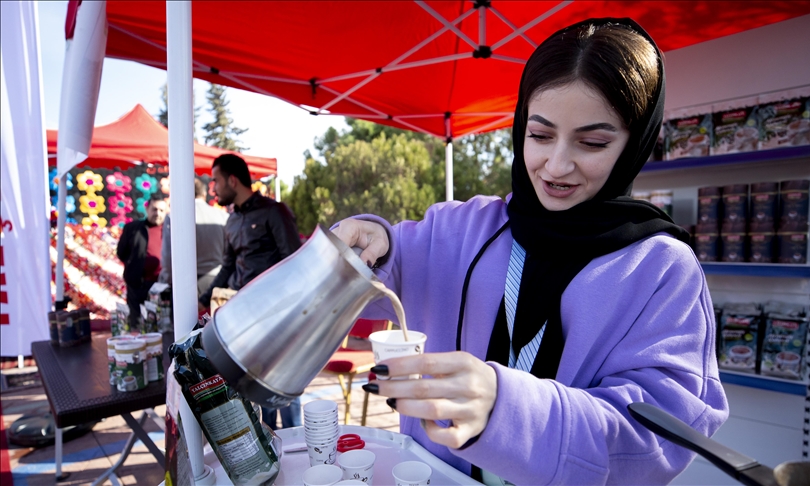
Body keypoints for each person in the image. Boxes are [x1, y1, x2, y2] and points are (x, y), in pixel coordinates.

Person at [334, 18, 728, 485]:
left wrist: (506, 410)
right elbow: (367, 277)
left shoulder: (662, 270)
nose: (556, 165)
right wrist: (361, 240)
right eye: (539, 135)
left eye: (593, 142)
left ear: (636, 142)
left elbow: (662, 437)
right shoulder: (459, 229)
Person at [199, 153, 304, 429]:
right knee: (257, 388)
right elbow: (226, 268)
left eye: (216, 181)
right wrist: (201, 300)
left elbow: (295, 261)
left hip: (280, 315)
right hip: (245, 318)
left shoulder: (274, 211)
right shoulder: (231, 221)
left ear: (233, 180)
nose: (214, 188)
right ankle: (270, 441)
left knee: (285, 385)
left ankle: (296, 443)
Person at [159, 178, 229, 297]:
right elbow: (229, 253)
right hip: (217, 279)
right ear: (204, 194)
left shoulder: (173, 217)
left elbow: (168, 255)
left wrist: (169, 280)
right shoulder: (222, 216)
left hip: (186, 282)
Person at [117, 192, 169, 329]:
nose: (157, 213)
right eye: (154, 209)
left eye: (161, 210)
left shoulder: (171, 230)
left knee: (161, 325)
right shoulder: (133, 229)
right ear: (147, 209)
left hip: (162, 285)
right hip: (138, 284)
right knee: (137, 324)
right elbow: (121, 252)